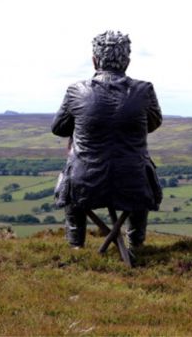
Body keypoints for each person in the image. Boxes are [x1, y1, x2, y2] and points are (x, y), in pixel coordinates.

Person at [51, 30, 163, 251]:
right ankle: (136, 244)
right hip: (134, 183)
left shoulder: (76, 90)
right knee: (141, 170)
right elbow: (153, 123)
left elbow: (58, 128)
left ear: (94, 60)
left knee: (72, 175)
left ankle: (77, 247)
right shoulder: (144, 90)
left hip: (85, 183)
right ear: (127, 62)